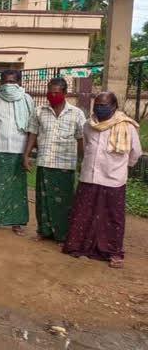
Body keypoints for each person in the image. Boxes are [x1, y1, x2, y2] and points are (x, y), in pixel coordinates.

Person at [63, 92, 141, 269]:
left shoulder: (126, 126)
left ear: (114, 106)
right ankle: (80, 246)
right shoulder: (88, 125)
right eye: (97, 104)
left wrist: (121, 168)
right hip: (89, 176)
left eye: (104, 104)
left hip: (113, 178)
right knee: (84, 213)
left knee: (112, 217)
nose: (99, 107)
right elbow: (87, 147)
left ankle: (113, 252)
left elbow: (135, 152)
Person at [23, 78, 86, 242]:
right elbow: (33, 134)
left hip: (65, 164)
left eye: (57, 92)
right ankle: (44, 231)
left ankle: (62, 235)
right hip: (44, 161)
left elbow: (81, 139)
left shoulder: (77, 114)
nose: (53, 95)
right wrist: (26, 155)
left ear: (65, 93)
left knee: (64, 202)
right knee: (43, 199)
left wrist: (83, 162)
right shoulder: (39, 111)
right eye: (50, 92)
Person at [0, 69, 35, 235]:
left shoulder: (26, 100)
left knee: (17, 188)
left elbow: (32, 126)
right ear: (0, 83)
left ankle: (17, 223)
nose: (8, 85)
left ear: (19, 83)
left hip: (19, 150)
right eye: (5, 81)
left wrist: (28, 152)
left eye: (12, 81)